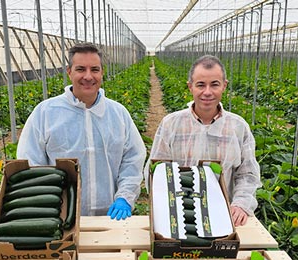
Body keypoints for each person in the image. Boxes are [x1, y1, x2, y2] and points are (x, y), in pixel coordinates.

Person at [17, 42, 146, 220]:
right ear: (69, 72)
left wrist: (125, 197)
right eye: (80, 69)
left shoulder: (118, 114)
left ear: (102, 72)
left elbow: (133, 158)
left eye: (94, 69)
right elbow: (30, 162)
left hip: (110, 218)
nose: (88, 76)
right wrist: (45, 207)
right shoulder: (46, 112)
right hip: (60, 218)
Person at [145, 55, 261, 226]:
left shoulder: (238, 127)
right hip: (179, 217)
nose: (207, 92)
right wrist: (165, 208)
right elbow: (156, 172)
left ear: (224, 86)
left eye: (214, 84)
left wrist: (241, 205)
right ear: (190, 87)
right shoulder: (171, 124)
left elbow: (248, 174)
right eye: (200, 85)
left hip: (225, 217)